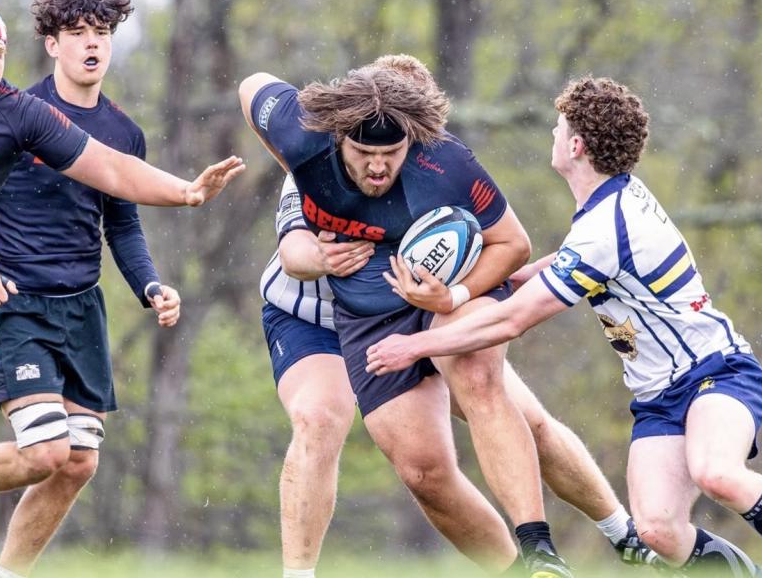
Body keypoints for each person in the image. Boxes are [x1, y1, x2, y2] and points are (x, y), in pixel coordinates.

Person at [366, 76, 762, 577]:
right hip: (657, 398)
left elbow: (513, 319)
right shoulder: (612, 200)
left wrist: (414, 345)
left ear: (576, 145)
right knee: (657, 532)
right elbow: (570, 261)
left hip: (717, 373)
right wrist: (507, 271)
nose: (553, 133)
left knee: (717, 473)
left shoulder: (607, 227)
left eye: (558, 127)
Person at [241, 56, 601, 577]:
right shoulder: (309, 155)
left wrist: (458, 293)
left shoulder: (441, 170)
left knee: (509, 405)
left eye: (398, 147)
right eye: (366, 149)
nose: (380, 165)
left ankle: (592, 544)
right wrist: (316, 244)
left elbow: (508, 244)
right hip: (313, 319)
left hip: (409, 314)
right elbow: (295, 249)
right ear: (344, 127)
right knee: (323, 422)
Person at [0, 0, 243, 577]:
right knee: (44, 452)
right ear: (51, 44)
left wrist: (151, 283)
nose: (91, 43)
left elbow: (121, 218)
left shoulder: (117, 130)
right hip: (16, 302)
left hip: (81, 308)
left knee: (77, 463)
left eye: (100, 31)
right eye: (76, 32)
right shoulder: (21, 113)